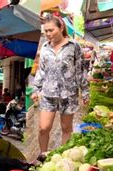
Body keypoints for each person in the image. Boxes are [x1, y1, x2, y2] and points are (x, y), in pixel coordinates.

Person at [31, 15, 89, 153]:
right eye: (46, 31)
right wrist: (36, 89)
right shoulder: (44, 48)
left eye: (51, 30)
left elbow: (81, 70)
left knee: (66, 128)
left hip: (69, 95)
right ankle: (42, 155)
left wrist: (85, 92)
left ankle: (63, 156)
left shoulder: (74, 46)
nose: (48, 34)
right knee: (43, 128)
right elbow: (41, 70)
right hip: (47, 94)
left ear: (61, 27)